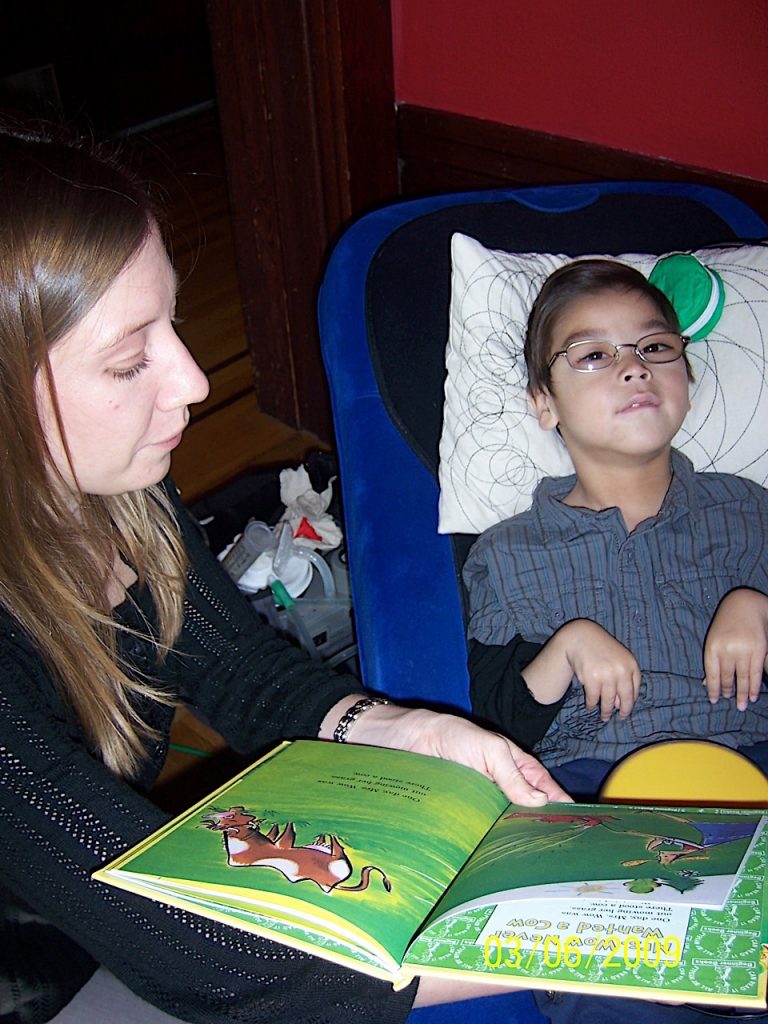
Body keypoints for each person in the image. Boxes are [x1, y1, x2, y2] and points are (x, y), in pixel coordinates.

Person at [0, 122, 569, 1024]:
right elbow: (215, 959)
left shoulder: (115, 493)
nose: (191, 381)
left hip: (98, 914)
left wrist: (402, 730)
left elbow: (239, 670)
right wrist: (567, 944)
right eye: (126, 359)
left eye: (173, 324)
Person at [464, 259, 768, 800]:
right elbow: (497, 724)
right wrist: (566, 648)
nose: (634, 368)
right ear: (544, 403)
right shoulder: (508, 554)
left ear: (687, 382)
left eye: (654, 347)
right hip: (586, 782)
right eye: (594, 355)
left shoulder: (750, 513)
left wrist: (759, 608)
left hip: (748, 760)